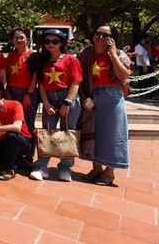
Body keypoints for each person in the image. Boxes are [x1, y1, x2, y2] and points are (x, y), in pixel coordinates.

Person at [77, 24, 132, 186]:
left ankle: (109, 172)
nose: (100, 37)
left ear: (112, 38)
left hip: (111, 95)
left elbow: (123, 76)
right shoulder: (85, 54)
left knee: (112, 134)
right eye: (97, 33)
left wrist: (113, 55)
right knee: (92, 132)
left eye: (105, 34)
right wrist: (84, 97)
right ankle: (96, 168)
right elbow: (78, 78)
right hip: (91, 95)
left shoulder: (120, 54)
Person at [31, 29, 82, 182]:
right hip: (50, 98)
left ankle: (65, 168)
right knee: (48, 132)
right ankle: (41, 167)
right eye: (47, 41)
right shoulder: (42, 61)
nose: (51, 44)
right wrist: (46, 103)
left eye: (55, 41)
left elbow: (75, 82)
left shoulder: (71, 60)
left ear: (62, 43)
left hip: (68, 97)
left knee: (68, 132)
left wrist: (68, 102)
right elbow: (41, 85)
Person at [4, 28, 39, 157]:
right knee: (14, 123)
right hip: (12, 92)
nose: (19, 40)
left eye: (21, 37)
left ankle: (28, 155)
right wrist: (7, 92)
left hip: (27, 93)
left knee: (28, 124)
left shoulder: (33, 56)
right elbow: (6, 75)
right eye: (16, 37)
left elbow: (35, 77)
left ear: (27, 39)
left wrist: (28, 95)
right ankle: (15, 153)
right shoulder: (10, 56)